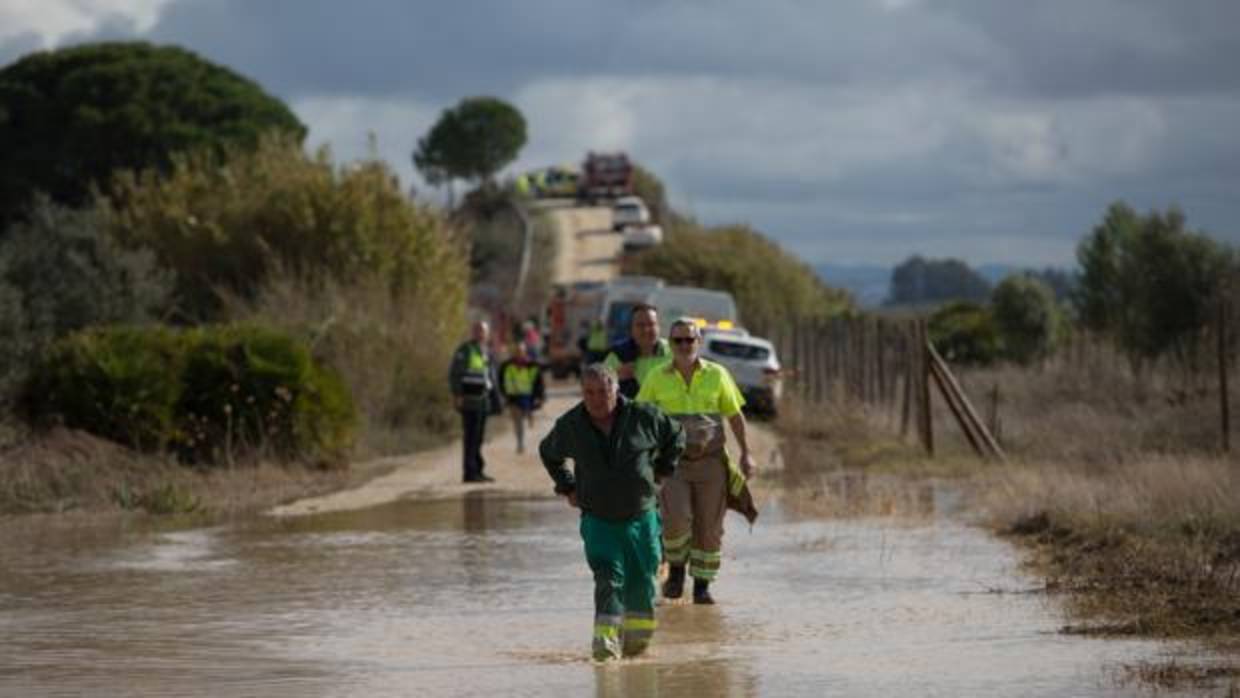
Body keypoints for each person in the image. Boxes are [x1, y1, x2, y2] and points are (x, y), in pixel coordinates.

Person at [540, 364, 685, 661]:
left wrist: (662, 472)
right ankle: (604, 647)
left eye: (603, 391)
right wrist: (567, 487)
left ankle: (636, 643)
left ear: (616, 389)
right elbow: (549, 453)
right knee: (608, 579)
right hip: (598, 520)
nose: (596, 399)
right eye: (589, 393)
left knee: (642, 580)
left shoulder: (643, 417)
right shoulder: (571, 425)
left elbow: (677, 435)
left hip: (641, 517)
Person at [636, 318, 758, 605]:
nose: (683, 346)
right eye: (677, 340)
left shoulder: (718, 375)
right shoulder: (656, 377)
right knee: (676, 519)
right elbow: (640, 417)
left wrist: (746, 452)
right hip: (672, 464)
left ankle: (702, 585)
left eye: (689, 340)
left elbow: (734, 416)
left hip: (711, 463)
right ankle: (676, 571)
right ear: (671, 343)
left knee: (709, 525)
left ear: (699, 342)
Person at [449, 319, 501, 483]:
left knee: (478, 438)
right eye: (478, 330)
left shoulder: (485, 351)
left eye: (483, 331)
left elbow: (489, 377)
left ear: (487, 334)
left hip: (483, 401)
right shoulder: (465, 350)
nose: (481, 333)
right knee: (470, 438)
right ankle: (469, 473)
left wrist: (496, 398)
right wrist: (457, 395)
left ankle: (478, 470)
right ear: (473, 332)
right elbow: (455, 374)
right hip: (469, 401)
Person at [603, 303, 670, 399]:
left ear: (658, 327)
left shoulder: (673, 352)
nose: (646, 330)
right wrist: (616, 377)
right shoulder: (619, 355)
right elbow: (599, 390)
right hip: (632, 413)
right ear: (631, 329)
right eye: (640, 325)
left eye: (651, 324)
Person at [500, 342, 546, 454]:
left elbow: (539, 382)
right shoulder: (506, 366)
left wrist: (540, 396)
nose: (519, 354)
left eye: (521, 351)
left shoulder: (532, 365)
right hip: (513, 398)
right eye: (517, 352)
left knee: (526, 416)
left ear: (525, 352)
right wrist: (503, 395)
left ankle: (529, 414)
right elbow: (500, 381)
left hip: (527, 397)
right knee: (518, 422)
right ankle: (520, 443)